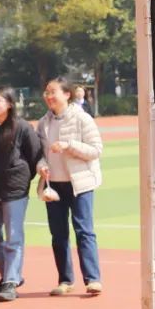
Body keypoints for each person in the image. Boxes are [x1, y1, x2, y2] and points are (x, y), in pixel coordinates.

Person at [36, 77, 105, 296]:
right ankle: (65, 280)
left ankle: (93, 279)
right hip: (53, 186)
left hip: (79, 184)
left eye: (53, 92)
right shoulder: (43, 123)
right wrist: (41, 166)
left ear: (67, 94)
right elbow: (39, 154)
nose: (49, 96)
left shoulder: (82, 118)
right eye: (46, 92)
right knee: (58, 234)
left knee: (84, 231)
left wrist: (69, 145)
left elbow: (96, 149)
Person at [0, 85, 41, 302]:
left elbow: (34, 155)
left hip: (15, 189)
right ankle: (10, 276)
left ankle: (10, 281)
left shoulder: (22, 127)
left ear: (10, 104)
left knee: (14, 237)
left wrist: (20, 177)